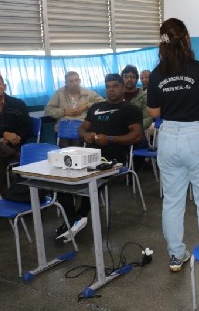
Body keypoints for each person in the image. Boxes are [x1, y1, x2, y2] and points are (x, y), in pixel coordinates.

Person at [147, 18, 199, 273]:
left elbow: (154, 111)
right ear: (187, 39)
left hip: (168, 137)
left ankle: (176, 255)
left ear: (162, 42)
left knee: (172, 201)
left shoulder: (157, 73)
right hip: (198, 135)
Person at [55, 74, 143, 242]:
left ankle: (79, 216)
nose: (111, 89)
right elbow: (82, 129)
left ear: (123, 88)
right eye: (108, 86)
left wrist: (110, 139)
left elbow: (137, 136)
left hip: (114, 158)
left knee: (92, 179)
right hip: (89, 154)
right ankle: (73, 219)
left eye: (115, 86)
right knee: (60, 177)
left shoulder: (130, 109)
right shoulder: (96, 107)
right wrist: (86, 135)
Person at [0, 74, 32, 196]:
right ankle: (14, 155)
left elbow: (27, 126)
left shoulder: (18, 104)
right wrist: (3, 135)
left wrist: (14, 138)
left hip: (15, 144)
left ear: (4, 86)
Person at [45, 71, 104, 147]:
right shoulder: (59, 93)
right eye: (71, 81)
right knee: (65, 149)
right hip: (64, 127)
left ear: (79, 81)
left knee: (78, 145)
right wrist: (64, 112)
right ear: (66, 82)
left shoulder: (88, 93)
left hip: (81, 126)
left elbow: (103, 102)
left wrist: (87, 106)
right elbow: (48, 110)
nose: (75, 83)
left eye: (76, 80)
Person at [121, 65, 152, 132]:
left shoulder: (144, 96)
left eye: (132, 77)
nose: (129, 79)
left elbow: (148, 118)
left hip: (137, 133)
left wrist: (133, 128)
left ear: (137, 79)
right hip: (118, 132)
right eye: (126, 77)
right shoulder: (118, 96)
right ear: (122, 79)